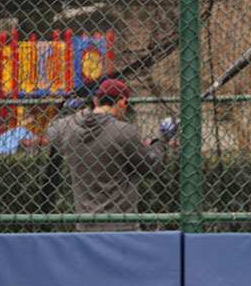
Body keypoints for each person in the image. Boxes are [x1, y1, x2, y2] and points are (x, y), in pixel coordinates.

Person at [45, 79, 176, 231]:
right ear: (122, 102)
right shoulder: (123, 131)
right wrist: (163, 138)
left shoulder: (70, 128)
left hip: (85, 227)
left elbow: (51, 130)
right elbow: (151, 166)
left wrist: (66, 111)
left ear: (96, 100)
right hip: (121, 226)